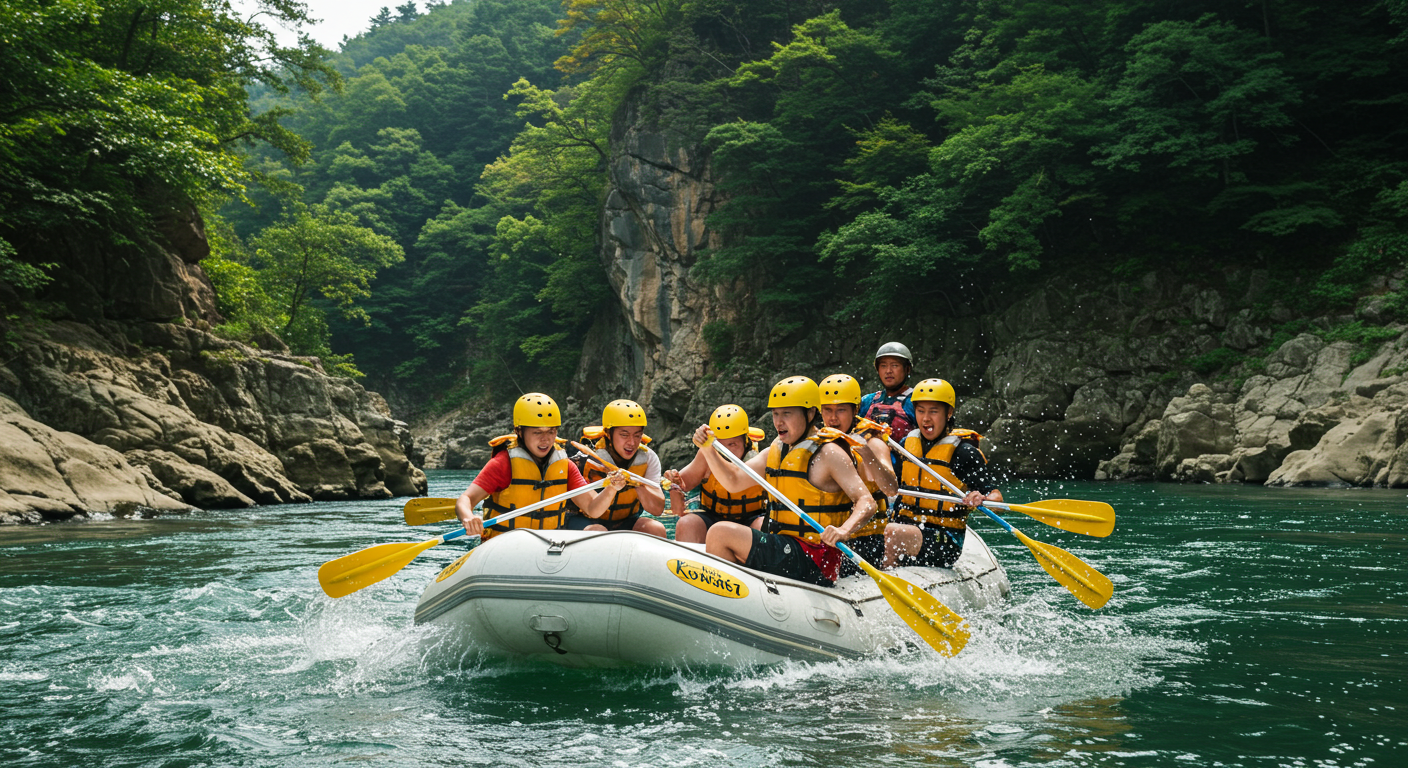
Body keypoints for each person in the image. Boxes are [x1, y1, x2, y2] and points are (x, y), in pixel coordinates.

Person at [693, 376, 877, 587]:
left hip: (816, 557)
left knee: (720, 533)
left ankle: (730, 598)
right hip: (786, 547)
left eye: (787, 414)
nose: (778, 422)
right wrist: (707, 448)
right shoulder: (776, 450)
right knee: (724, 533)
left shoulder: (829, 453)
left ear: (810, 413)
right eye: (775, 414)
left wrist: (844, 530)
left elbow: (867, 502)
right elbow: (733, 481)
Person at [455, 393, 628, 540]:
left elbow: (593, 509)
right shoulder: (504, 463)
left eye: (551, 431)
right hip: (506, 545)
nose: (545, 439)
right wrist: (468, 517)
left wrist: (611, 488)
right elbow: (465, 499)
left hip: (548, 545)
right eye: (537, 432)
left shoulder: (564, 465)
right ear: (519, 431)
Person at [883, 378, 1002, 569]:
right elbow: (888, 484)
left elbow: (998, 500)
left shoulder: (963, 452)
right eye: (920, 411)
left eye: (933, 411)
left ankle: (885, 580)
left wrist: (980, 497)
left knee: (892, 533)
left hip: (944, 540)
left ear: (949, 413)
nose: (926, 418)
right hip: (905, 526)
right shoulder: (905, 445)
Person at [818, 373, 897, 576]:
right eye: (827, 410)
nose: (833, 418)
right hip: (826, 536)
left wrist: (867, 455)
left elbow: (891, 489)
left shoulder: (873, 442)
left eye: (840, 410)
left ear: (854, 410)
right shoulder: (817, 443)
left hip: (864, 540)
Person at [665, 404, 770, 544]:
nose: (726, 452)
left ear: (745, 441)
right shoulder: (708, 454)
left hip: (750, 519)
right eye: (720, 445)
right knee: (687, 523)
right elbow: (684, 484)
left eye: (732, 444)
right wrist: (675, 482)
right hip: (713, 517)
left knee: (765, 525)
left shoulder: (758, 460)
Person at [566, 399, 669, 538]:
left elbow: (657, 509)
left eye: (637, 435)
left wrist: (636, 483)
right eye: (624, 435)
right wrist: (612, 485)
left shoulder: (648, 458)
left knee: (655, 529)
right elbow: (590, 508)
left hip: (625, 520)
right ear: (608, 433)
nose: (632, 443)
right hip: (585, 521)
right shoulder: (585, 458)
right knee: (599, 531)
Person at [859, 341, 918, 445]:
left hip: (903, 459)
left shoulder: (916, 402)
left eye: (894, 365)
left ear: (907, 369)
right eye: (883, 366)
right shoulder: (867, 401)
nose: (888, 371)